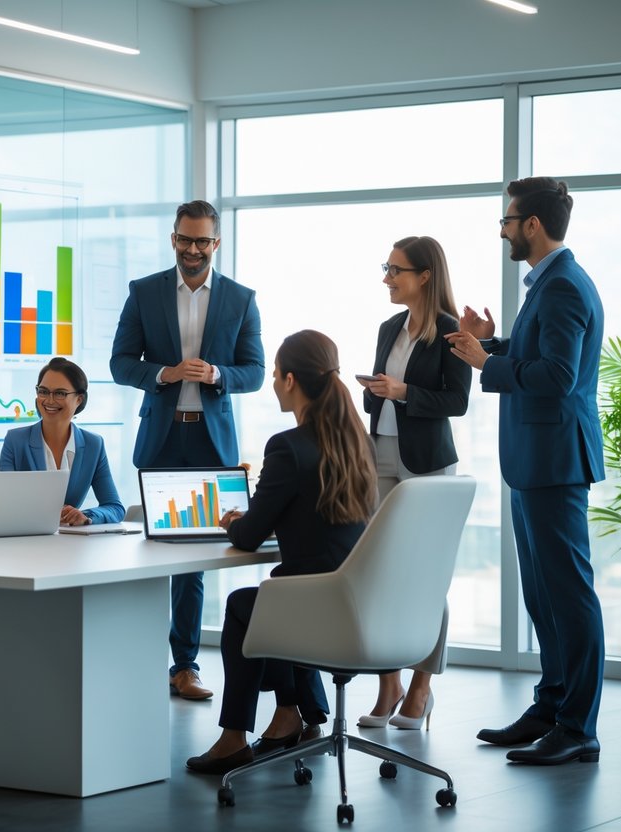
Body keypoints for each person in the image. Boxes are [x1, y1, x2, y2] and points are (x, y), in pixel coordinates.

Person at [445, 177, 604, 766]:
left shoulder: (562, 287)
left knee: (568, 596)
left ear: (533, 225)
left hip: (555, 463)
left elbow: (558, 377)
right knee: (542, 596)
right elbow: (539, 353)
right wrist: (494, 342)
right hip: (534, 463)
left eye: (509, 221)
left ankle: (578, 727)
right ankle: (551, 707)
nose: (505, 230)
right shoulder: (551, 284)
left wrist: (489, 362)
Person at [186, 330, 375, 775]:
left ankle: (234, 737)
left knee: (243, 606)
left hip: (317, 606)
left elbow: (249, 537)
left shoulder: (287, 447)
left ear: (290, 380)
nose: (272, 383)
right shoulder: (356, 441)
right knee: (272, 592)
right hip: (357, 601)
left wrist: (234, 521)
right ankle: (295, 712)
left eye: (273, 375)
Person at [110, 199, 264, 700]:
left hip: (210, 442)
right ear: (172, 238)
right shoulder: (145, 292)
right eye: (184, 239)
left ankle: (184, 665)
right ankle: (134, 657)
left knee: (194, 559)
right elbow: (119, 363)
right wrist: (163, 374)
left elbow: (256, 371)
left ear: (216, 243)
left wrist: (217, 373)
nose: (192, 249)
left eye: (202, 241)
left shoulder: (240, 299)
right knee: (151, 551)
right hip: (161, 435)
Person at [355, 236, 471, 730]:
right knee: (380, 572)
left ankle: (422, 684)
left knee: (426, 577)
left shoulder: (452, 332)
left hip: (426, 463)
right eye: (386, 268)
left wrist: (403, 392)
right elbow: (385, 393)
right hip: (379, 452)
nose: (387, 278)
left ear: (424, 275)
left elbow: (457, 401)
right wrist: (378, 393)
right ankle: (389, 684)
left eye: (395, 269)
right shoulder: (388, 328)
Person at [0, 357, 124, 526]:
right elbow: (2, 504)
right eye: (43, 391)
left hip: (70, 544)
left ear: (79, 399)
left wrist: (84, 516)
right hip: (26, 540)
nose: (49, 400)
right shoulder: (15, 440)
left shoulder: (94, 445)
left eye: (60, 393)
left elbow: (115, 508)